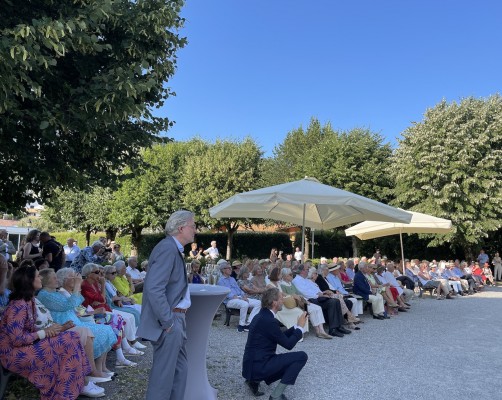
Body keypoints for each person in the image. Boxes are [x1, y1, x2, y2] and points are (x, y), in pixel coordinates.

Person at [0, 266, 91, 400]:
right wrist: (44, 333)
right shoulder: (18, 305)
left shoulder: (29, 301)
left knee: (72, 336)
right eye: (37, 276)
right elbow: (17, 339)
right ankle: (64, 393)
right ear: (28, 281)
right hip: (13, 354)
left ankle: (70, 388)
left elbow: (29, 331)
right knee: (68, 341)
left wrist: (58, 329)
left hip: (26, 346)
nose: (41, 278)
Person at [137, 210, 196, 400]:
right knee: (163, 378)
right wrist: (168, 322)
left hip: (175, 317)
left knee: (180, 372)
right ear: (181, 228)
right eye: (193, 226)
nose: (195, 230)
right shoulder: (167, 248)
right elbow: (154, 288)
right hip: (170, 319)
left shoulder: (172, 248)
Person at [242, 287, 308, 400]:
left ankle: (253, 381)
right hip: (258, 367)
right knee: (302, 356)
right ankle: (276, 395)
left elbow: (279, 336)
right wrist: (300, 329)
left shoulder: (262, 316)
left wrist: (296, 326)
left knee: (281, 358)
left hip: (251, 366)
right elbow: (288, 345)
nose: (283, 300)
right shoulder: (269, 320)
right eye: (281, 298)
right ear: (274, 303)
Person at [218, 259, 261, 332]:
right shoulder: (221, 281)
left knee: (259, 303)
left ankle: (249, 323)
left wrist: (243, 295)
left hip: (239, 298)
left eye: (230, 268)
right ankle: (241, 325)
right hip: (229, 300)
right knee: (244, 304)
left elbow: (239, 289)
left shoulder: (232, 279)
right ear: (223, 270)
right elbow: (227, 293)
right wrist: (239, 298)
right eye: (228, 268)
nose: (230, 269)